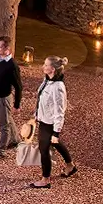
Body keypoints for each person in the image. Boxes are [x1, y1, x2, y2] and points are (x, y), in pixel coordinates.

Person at [29, 56, 76, 189]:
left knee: (44, 149)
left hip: (50, 123)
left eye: (45, 65)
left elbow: (60, 111)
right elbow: (42, 99)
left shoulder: (58, 87)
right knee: (55, 143)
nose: (43, 67)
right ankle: (70, 166)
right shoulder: (47, 80)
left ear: (53, 69)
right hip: (44, 120)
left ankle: (45, 180)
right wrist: (37, 114)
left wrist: (56, 132)